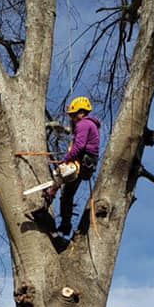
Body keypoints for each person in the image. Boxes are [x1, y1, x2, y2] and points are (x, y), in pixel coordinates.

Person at [45, 96, 101, 237]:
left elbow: (79, 146)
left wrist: (65, 160)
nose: (72, 118)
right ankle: (65, 225)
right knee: (67, 194)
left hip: (83, 161)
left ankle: (49, 196)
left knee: (61, 174)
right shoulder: (89, 125)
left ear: (81, 113)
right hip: (87, 163)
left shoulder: (83, 124)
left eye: (73, 115)